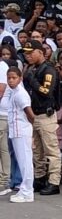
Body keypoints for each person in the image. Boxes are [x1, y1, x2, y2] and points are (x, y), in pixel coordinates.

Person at [21, 40, 61, 194]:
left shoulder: (48, 69)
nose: (28, 56)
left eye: (31, 53)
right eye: (26, 53)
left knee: (51, 150)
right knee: (37, 151)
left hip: (46, 114)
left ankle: (54, 182)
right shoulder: (32, 68)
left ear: (40, 52)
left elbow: (46, 91)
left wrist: (32, 79)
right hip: (34, 114)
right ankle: (39, 178)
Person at [6, 64, 35, 204]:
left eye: (14, 78)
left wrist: (30, 129)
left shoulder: (20, 94)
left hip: (22, 131)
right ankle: (25, 189)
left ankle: (27, 191)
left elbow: (30, 114)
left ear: (20, 78)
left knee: (25, 162)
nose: (11, 80)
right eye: (9, 78)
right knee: (22, 161)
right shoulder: (14, 93)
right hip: (16, 131)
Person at [0, 53, 11, 195]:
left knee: (3, 149)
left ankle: (4, 181)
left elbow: (1, 91)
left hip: (3, 114)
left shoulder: (2, 67)